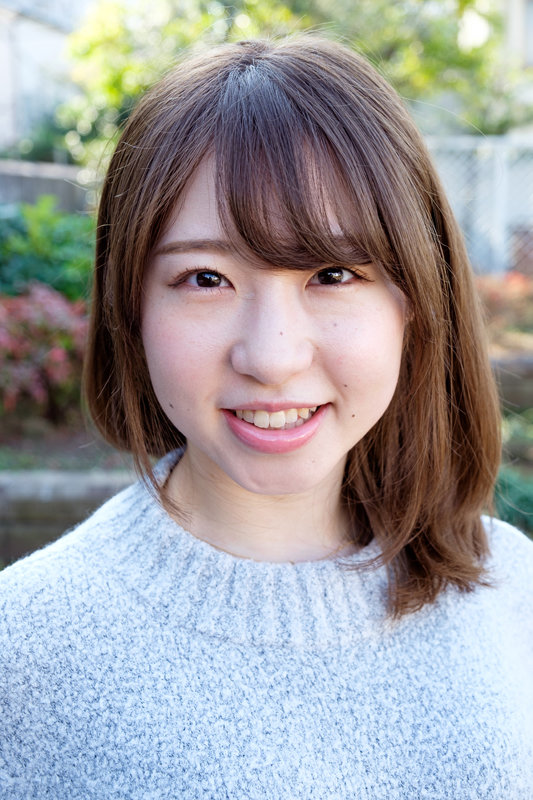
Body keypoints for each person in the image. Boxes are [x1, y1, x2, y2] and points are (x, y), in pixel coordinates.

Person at [0, 35, 531, 800]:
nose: (272, 357)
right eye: (205, 278)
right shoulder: (26, 649)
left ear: (417, 300)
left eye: (332, 273)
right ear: (130, 308)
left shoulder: (508, 587)